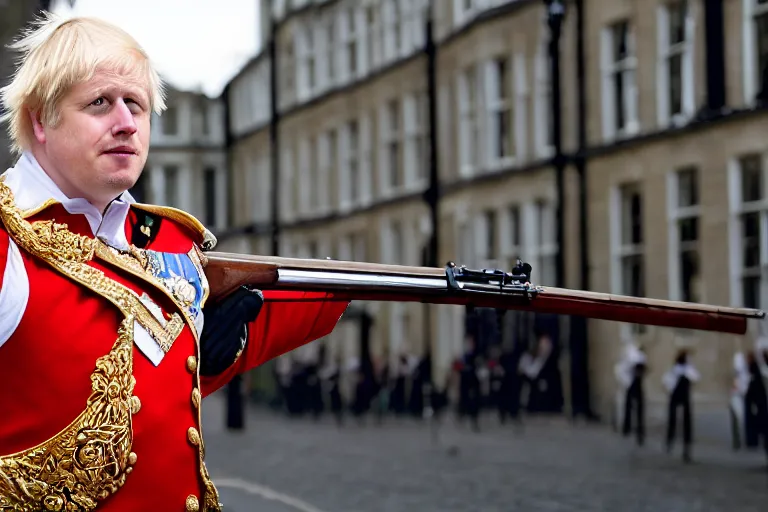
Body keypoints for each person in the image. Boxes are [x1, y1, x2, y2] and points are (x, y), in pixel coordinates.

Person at [0, 13, 349, 511]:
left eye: (136, 105)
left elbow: (144, 395)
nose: (125, 122)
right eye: (99, 103)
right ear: (40, 119)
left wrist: (217, 356)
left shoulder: (164, 240)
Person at [662, 348, 699, 462]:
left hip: (681, 396)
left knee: (682, 422)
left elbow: (696, 377)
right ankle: (672, 442)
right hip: (679, 396)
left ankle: (681, 446)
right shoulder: (677, 370)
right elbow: (667, 381)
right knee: (676, 421)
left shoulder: (685, 369)